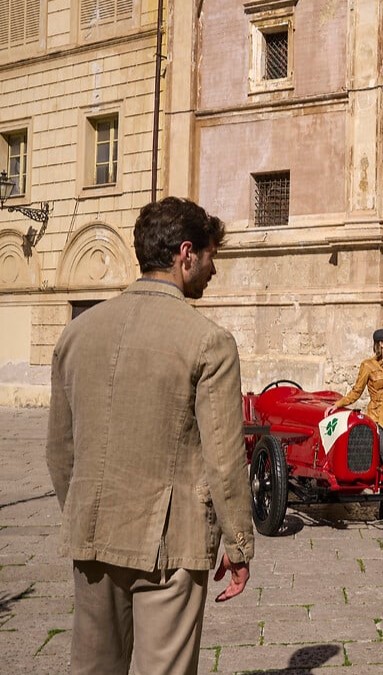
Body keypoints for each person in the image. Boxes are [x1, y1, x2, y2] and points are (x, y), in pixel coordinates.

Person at [45, 197, 255, 675]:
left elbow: (60, 452)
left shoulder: (76, 334)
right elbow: (224, 460)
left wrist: (84, 513)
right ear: (186, 254)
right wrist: (239, 545)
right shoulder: (208, 341)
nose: (212, 271)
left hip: (93, 536)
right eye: (210, 258)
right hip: (171, 545)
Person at [326, 328, 383, 523]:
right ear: (382, 344)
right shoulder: (367, 366)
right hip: (378, 420)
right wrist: (338, 404)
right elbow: (356, 391)